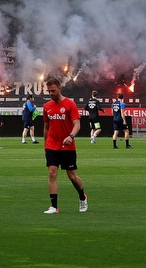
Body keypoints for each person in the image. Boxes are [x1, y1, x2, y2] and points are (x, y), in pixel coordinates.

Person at [42, 77, 87, 214]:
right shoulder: (47, 107)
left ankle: (82, 196)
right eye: (49, 91)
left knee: (72, 176)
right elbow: (46, 127)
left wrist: (71, 136)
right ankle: (54, 207)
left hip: (67, 146)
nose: (51, 93)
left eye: (53, 91)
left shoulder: (70, 104)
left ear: (59, 89)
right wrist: (45, 146)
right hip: (52, 145)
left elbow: (77, 124)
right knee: (51, 173)